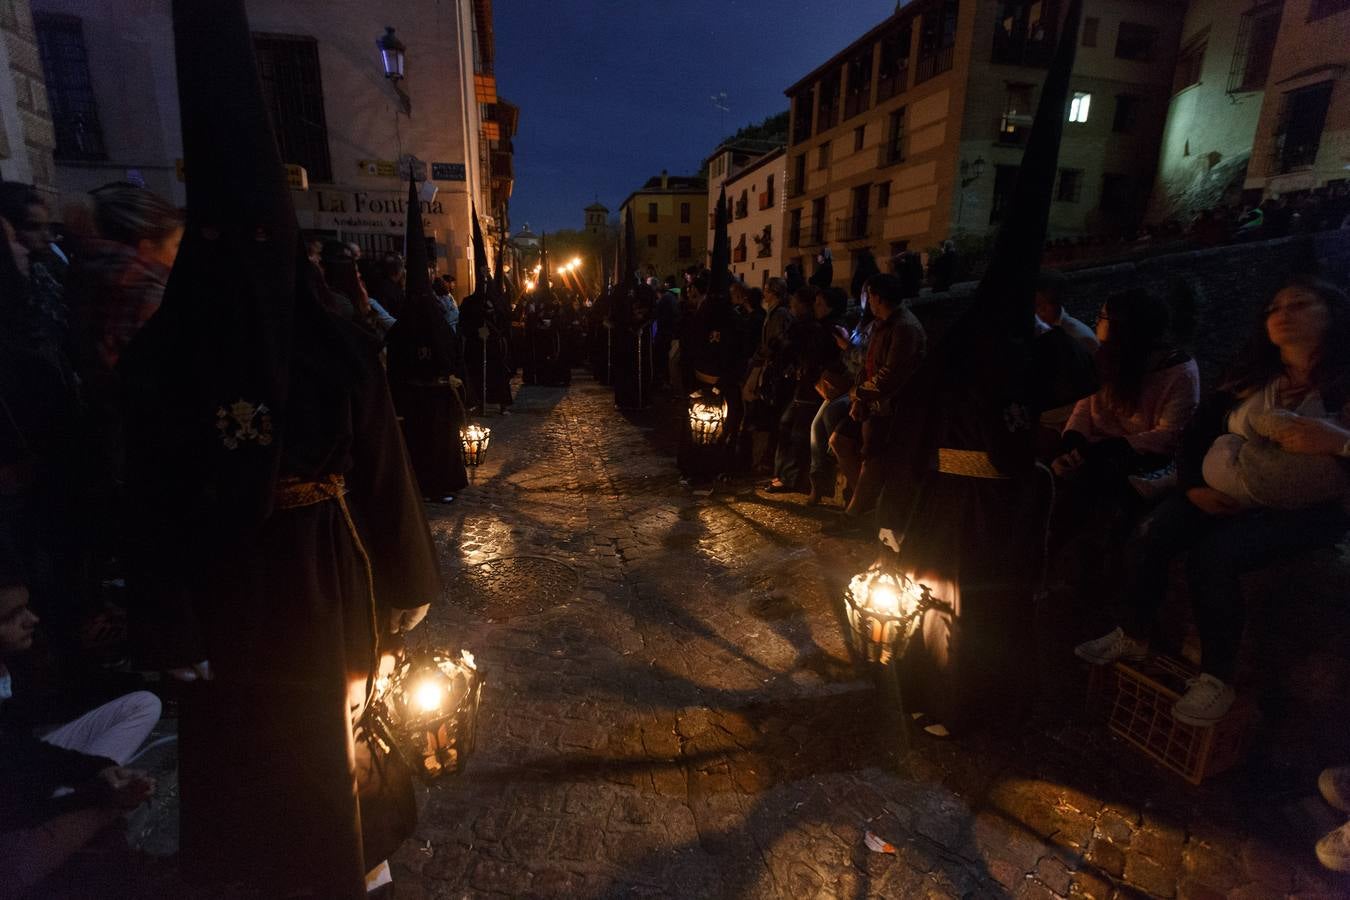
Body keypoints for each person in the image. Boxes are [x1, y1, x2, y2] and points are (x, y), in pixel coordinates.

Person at [119, 3, 440, 894]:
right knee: (244, 758)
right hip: (229, 588)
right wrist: (168, 618)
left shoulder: (333, 343)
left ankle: (346, 863)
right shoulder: (168, 359)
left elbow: (382, 464)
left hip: (322, 584)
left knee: (333, 747)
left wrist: (406, 580)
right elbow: (143, 494)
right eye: (231, 248)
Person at [1075, 277, 1350, 726]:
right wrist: (1191, 488)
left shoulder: (1343, 385)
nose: (1282, 314)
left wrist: (1335, 440)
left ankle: (1216, 678)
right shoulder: (1251, 377)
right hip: (1222, 490)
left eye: (1300, 304)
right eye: (1274, 307)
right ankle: (1133, 632)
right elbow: (1198, 432)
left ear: (1333, 314)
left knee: (1215, 557)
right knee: (1151, 532)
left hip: (1303, 511)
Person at [0, 556, 161, 896]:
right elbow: (17, 798)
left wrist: (98, 769)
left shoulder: (14, 660)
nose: (32, 620)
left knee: (143, 703)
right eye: (12, 616)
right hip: (11, 835)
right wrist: (97, 794)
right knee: (113, 808)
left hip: (24, 775)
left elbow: (27, 746)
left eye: (26, 608)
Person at [386, 177, 470, 502]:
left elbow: (451, 352)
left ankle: (440, 484)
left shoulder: (429, 321)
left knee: (438, 443)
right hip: (418, 399)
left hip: (435, 398)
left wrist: (451, 377)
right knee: (421, 443)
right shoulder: (410, 323)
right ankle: (425, 486)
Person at [826, 274, 926, 529]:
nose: (867, 300)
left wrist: (859, 395)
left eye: (869, 295)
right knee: (840, 441)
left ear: (878, 297)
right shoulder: (882, 324)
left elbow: (891, 375)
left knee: (873, 458)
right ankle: (867, 503)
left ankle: (856, 513)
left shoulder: (904, 328)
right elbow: (869, 366)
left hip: (892, 407)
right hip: (872, 402)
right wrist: (859, 396)